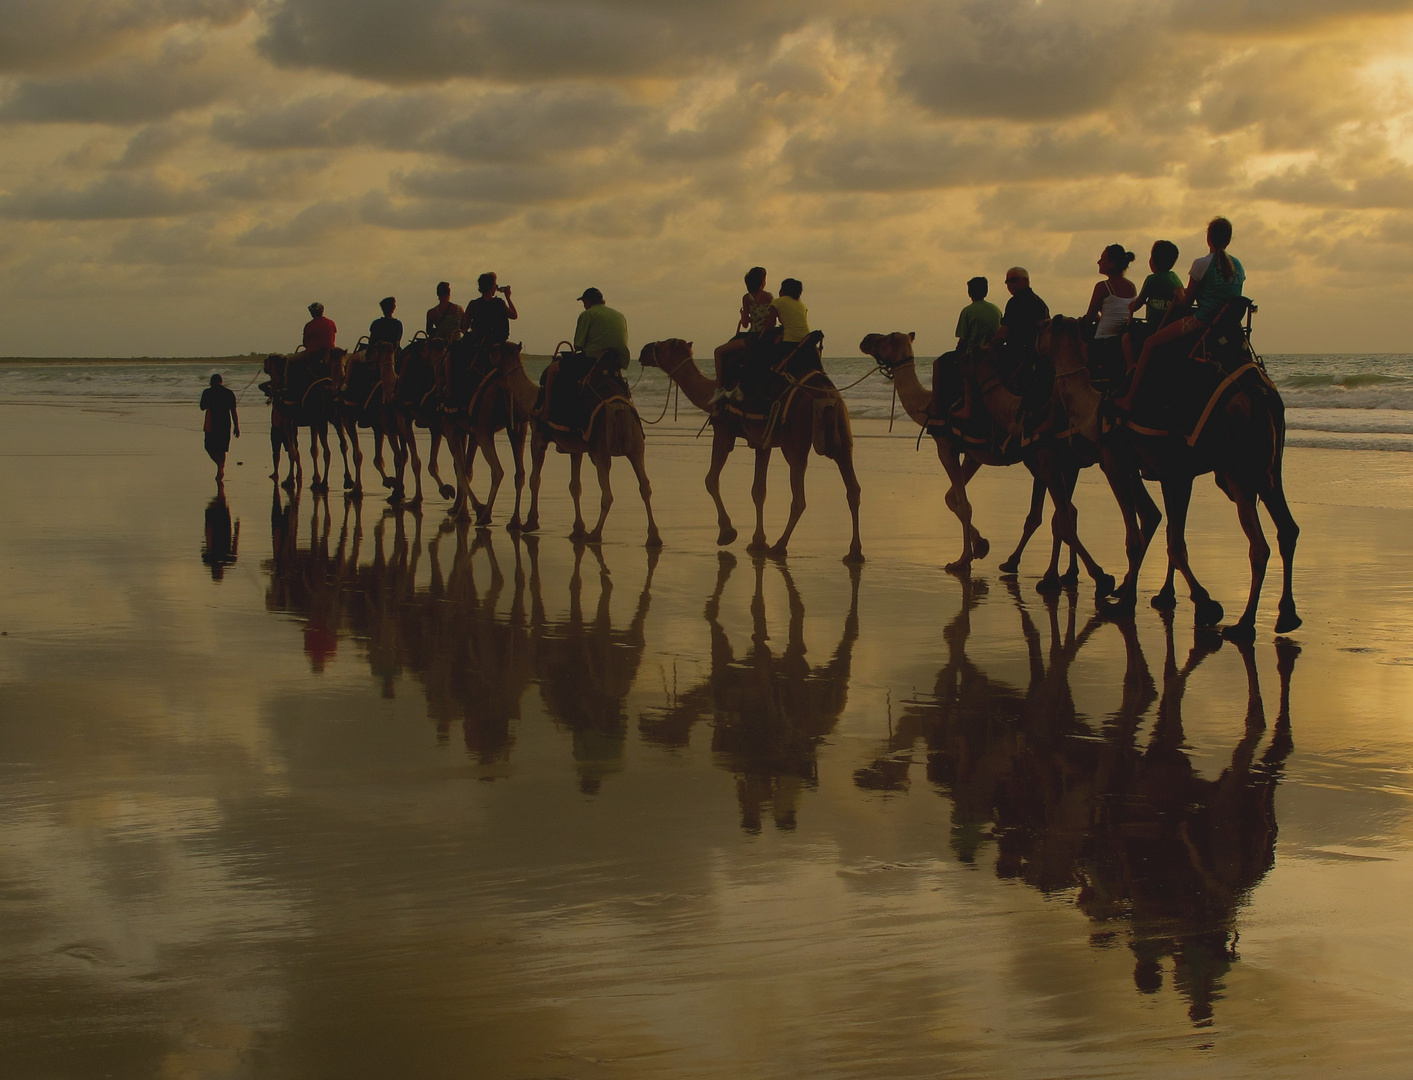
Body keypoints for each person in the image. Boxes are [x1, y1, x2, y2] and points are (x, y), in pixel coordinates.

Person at [1117, 217, 1245, 412]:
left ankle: (1130, 398)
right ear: (1228, 240)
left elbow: (1186, 302)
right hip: (1227, 325)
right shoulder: (1239, 266)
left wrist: (1179, 293)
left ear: (1208, 238)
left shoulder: (1201, 264)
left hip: (1202, 322)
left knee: (1150, 342)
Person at [541, 288, 629, 425]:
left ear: (588, 301)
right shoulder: (620, 315)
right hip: (615, 362)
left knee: (552, 369)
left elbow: (578, 346)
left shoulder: (587, 314)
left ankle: (546, 411)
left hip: (593, 361)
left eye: (583, 301)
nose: (583, 305)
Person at [711, 266, 776, 405]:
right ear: (761, 281)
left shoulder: (746, 298)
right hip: (764, 337)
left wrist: (743, 315)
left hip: (752, 336)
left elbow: (745, 324)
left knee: (719, 351)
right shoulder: (769, 297)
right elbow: (771, 321)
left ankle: (719, 388)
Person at [946, 276, 1002, 420]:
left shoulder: (968, 311)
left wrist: (957, 355)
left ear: (970, 293)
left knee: (953, 367)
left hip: (975, 357)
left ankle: (967, 408)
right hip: (994, 356)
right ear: (986, 291)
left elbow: (963, 341)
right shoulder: (996, 310)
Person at [461, 272, 518, 351]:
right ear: (491, 287)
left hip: (479, 343)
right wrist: (508, 297)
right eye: (495, 285)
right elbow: (514, 315)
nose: (496, 287)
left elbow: (465, 326)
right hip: (498, 342)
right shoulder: (500, 303)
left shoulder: (473, 304)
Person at [200, 373, 240, 482]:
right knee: (222, 448)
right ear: (221, 382)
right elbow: (233, 411)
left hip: (212, 422)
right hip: (225, 422)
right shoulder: (229, 393)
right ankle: (220, 467)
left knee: (208, 446)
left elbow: (202, 407)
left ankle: (220, 465)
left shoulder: (207, 392)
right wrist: (237, 426)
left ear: (211, 382)